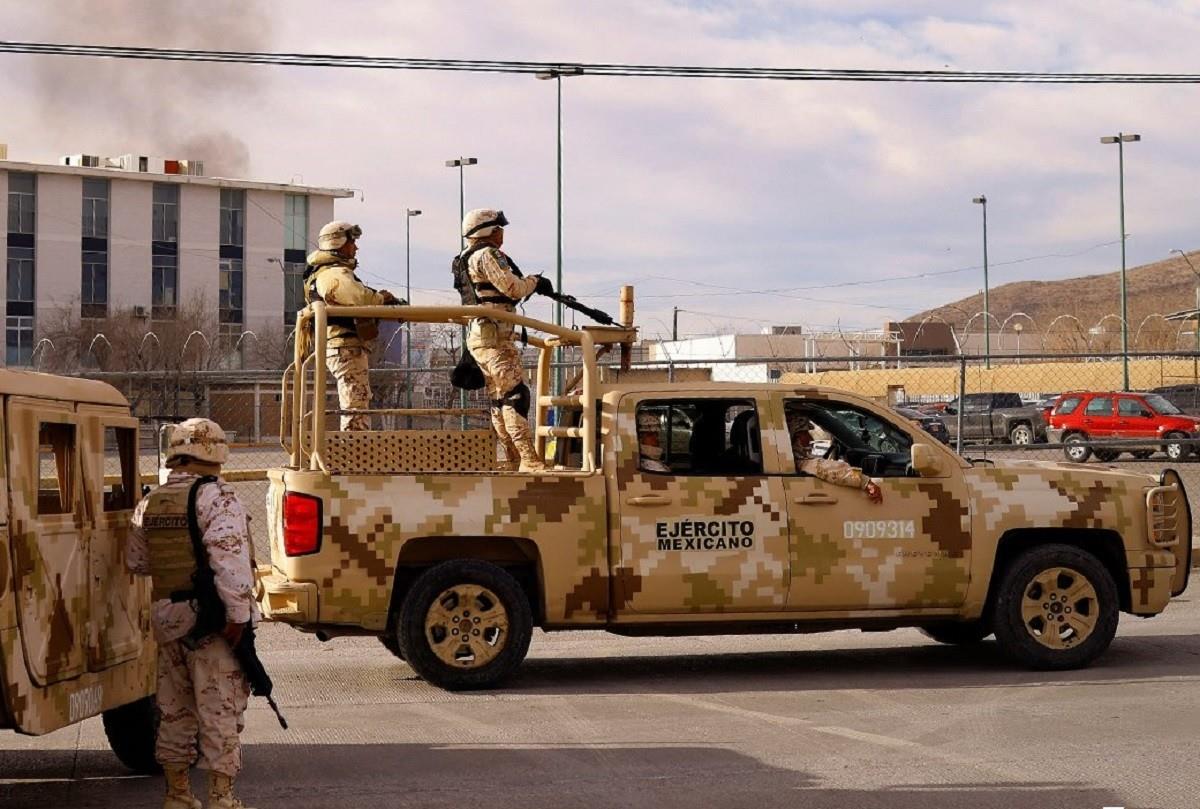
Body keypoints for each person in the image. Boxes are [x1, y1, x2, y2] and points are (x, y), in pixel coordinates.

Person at [127, 418, 259, 809]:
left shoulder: (151, 501)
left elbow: (136, 562)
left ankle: (178, 794)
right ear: (216, 453)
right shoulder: (217, 497)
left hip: (167, 618)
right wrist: (238, 620)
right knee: (220, 708)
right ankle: (221, 797)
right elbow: (231, 566)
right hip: (211, 623)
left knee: (173, 709)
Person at [459, 208, 552, 472]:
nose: (502, 234)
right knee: (515, 396)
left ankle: (513, 458)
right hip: (496, 339)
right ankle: (528, 459)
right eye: (499, 229)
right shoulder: (488, 255)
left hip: (482, 337)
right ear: (488, 231)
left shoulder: (466, 257)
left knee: (499, 400)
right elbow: (513, 288)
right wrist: (534, 282)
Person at [304, 220, 403, 430]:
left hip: (342, 346)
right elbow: (356, 296)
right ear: (339, 243)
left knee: (356, 401)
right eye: (352, 242)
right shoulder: (332, 273)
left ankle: (353, 453)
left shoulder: (328, 271)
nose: (356, 248)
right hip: (345, 347)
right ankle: (353, 454)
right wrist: (381, 299)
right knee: (355, 405)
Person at [787, 411, 883, 503]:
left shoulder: (791, 461)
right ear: (795, 436)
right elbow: (830, 469)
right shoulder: (802, 463)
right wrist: (865, 481)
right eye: (804, 433)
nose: (810, 439)